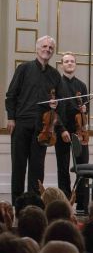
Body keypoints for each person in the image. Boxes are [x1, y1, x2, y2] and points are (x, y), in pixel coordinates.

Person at [6, 35, 70, 204]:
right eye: (44, 46)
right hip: (21, 123)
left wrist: (55, 106)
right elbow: (11, 95)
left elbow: (60, 103)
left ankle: (33, 205)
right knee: (18, 167)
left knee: (37, 169)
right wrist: (11, 118)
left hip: (42, 128)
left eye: (50, 48)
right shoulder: (23, 69)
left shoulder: (55, 75)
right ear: (37, 48)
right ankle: (17, 205)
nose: (47, 50)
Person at [54, 52, 90, 213]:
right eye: (66, 61)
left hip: (79, 132)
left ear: (75, 64)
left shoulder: (81, 86)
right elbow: (53, 111)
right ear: (61, 64)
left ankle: (82, 204)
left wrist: (85, 109)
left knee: (82, 168)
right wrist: (61, 129)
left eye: (72, 61)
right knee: (62, 168)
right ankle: (66, 203)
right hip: (62, 131)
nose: (69, 63)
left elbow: (86, 112)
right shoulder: (56, 84)